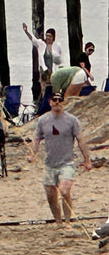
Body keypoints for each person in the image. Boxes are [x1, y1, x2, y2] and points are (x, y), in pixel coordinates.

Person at [28, 91, 93, 222]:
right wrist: (32, 154)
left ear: (63, 102)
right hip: (49, 164)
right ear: (50, 102)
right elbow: (36, 138)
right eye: (54, 100)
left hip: (67, 162)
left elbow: (80, 140)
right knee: (50, 195)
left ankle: (67, 220)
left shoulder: (72, 120)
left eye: (59, 100)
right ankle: (58, 221)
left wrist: (87, 160)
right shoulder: (42, 120)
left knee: (64, 191)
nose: (57, 102)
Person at [23, 23, 63, 98]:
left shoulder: (56, 46)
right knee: (44, 88)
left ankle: (54, 100)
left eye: (50, 36)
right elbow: (33, 39)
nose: (48, 38)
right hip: (44, 71)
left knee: (55, 89)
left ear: (53, 37)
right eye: (47, 36)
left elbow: (59, 61)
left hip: (54, 71)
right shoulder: (41, 44)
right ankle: (44, 99)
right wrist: (26, 31)